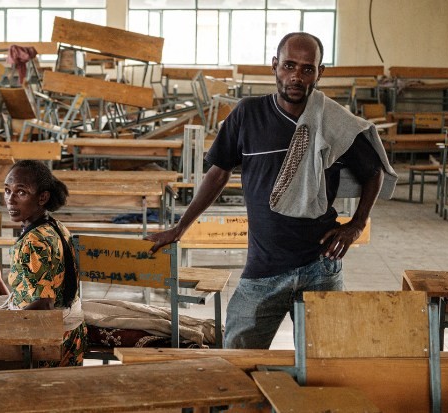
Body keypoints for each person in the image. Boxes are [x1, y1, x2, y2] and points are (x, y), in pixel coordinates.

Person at [146, 32, 396, 349]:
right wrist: (181, 227)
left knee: (326, 359)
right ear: (274, 66)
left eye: (307, 69)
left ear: (321, 73)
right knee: (237, 356)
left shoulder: (335, 122)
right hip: (264, 269)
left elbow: (372, 171)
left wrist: (356, 224)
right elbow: (218, 173)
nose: (296, 76)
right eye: (289, 65)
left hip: (321, 266)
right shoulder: (247, 115)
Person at [2, 160, 86, 367]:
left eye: (21, 192)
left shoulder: (33, 241)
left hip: (49, 341)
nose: (10, 200)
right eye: (7, 191)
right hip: (72, 333)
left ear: (43, 197)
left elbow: (44, 304)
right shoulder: (55, 225)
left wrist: (5, 327)